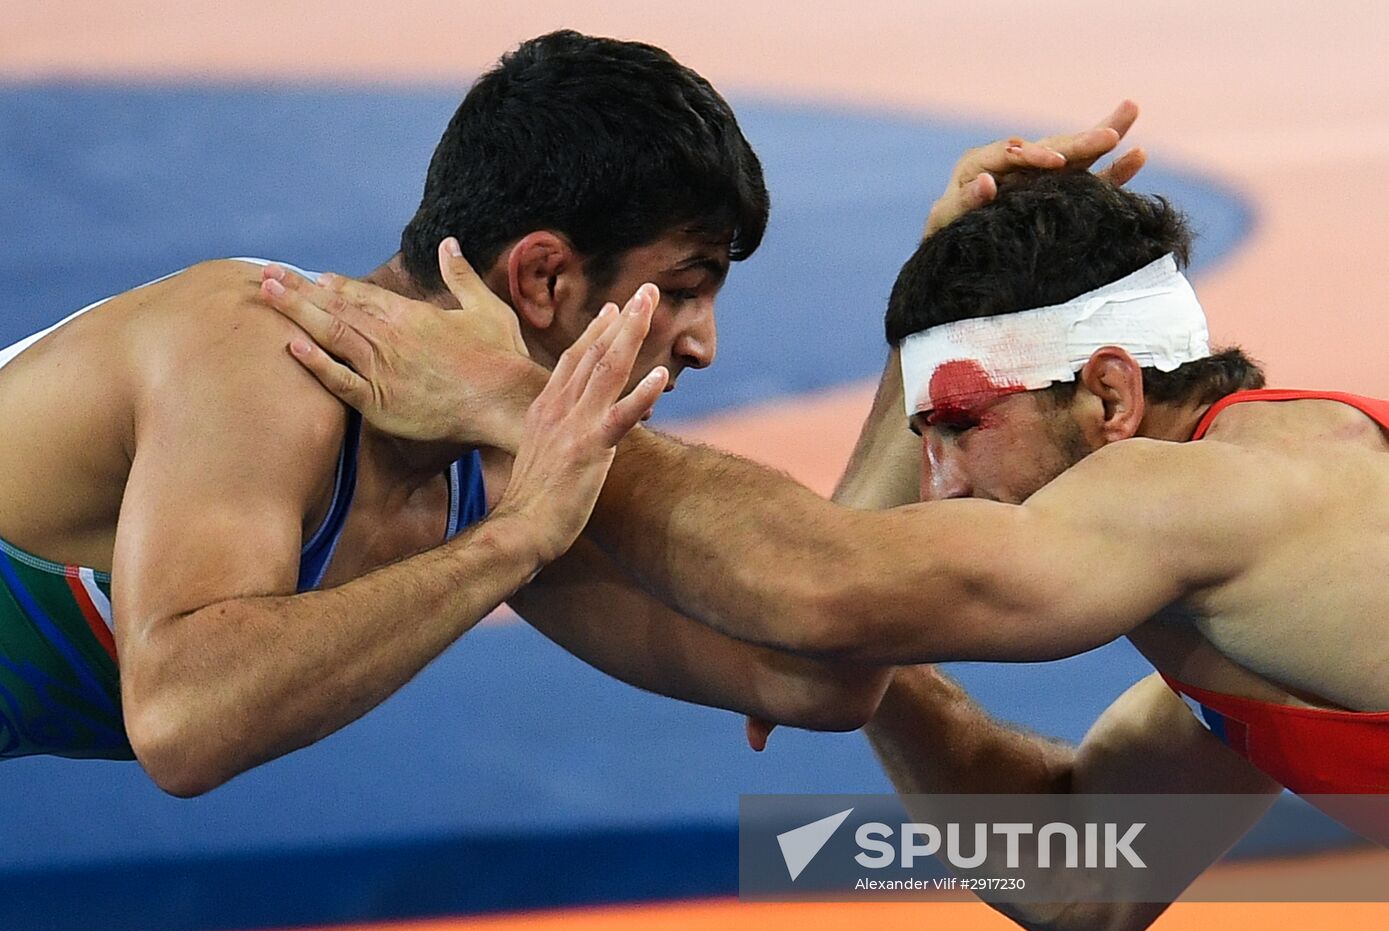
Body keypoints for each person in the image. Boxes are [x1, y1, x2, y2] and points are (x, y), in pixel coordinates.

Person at [270, 125, 1389, 931]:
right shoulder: (1241, 606)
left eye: (961, 429)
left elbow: (816, 583)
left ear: (1107, 395)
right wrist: (878, 652)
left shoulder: (1200, 495)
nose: (937, 488)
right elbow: (1078, 878)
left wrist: (518, 401)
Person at [0, 29, 871, 794]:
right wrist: (514, 541)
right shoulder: (258, 357)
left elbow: (811, 670)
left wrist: (924, 349)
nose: (701, 345)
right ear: (543, 278)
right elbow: (184, 723)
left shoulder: (494, 474)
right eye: (679, 291)